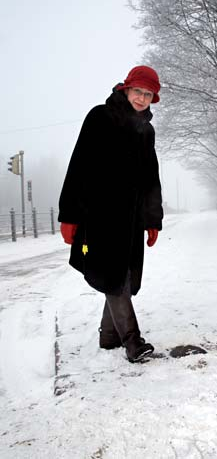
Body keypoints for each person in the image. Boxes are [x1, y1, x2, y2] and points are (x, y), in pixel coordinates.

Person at [58, 65, 163, 363]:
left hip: (130, 221)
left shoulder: (146, 130)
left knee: (123, 276)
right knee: (113, 276)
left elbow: (150, 178)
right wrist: (70, 215)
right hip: (99, 217)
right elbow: (79, 166)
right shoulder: (100, 117)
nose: (142, 99)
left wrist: (152, 218)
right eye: (138, 92)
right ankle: (132, 340)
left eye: (148, 94)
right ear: (126, 89)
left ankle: (108, 335)